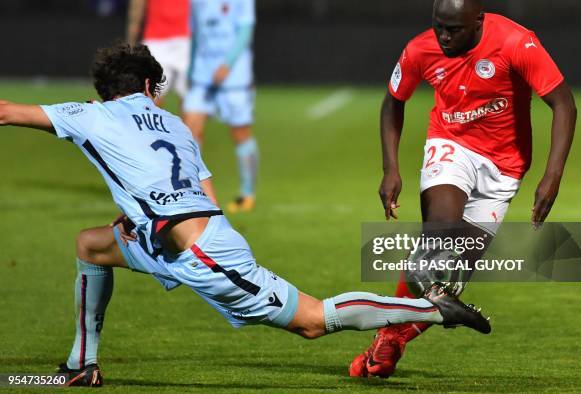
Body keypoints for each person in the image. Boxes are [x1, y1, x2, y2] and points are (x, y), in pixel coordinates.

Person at [0, 42, 490, 387]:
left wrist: (149, 213)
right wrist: (143, 216)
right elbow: (198, 188)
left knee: (313, 321)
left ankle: (432, 309)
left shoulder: (90, 113)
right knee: (92, 244)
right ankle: (81, 366)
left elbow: (6, 111)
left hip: (205, 254)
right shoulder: (173, 123)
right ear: (149, 85)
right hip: (185, 236)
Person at [348, 0, 577, 378]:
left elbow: (563, 104)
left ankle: (391, 340)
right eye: (439, 26)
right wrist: (391, 168)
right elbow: (393, 102)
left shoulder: (515, 43)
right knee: (439, 240)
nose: (443, 35)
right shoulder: (421, 48)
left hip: (505, 168)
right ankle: (426, 288)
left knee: (452, 274)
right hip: (451, 146)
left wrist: (552, 175)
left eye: (453, 29)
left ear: (478, 22)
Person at [183, 0, 258, 213]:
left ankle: (247, 193)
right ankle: (193, 190)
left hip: (233, 77)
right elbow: (195, 37)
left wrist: (228, 64)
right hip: (203, 77)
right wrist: (192, 71)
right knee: (190, 130)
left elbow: (244, 32)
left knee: (240, 134)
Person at [126, 0, 205, 103]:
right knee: (150, 98)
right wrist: (132, 35)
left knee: (191, 100)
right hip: (156, 38)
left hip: (189, 39)